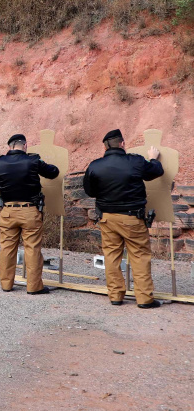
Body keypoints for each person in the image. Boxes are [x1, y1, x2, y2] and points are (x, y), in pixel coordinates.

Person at [83, 129, 164, 309]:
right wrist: (153, 158)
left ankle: (115, 296)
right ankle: (144, 299)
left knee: (111, 256)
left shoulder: (95, 165)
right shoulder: (135, 161)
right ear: (122, 143)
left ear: (104, 147)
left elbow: (89, 191)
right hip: (132, 218)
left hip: (107, 218)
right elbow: (156, 171)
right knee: (140, 257)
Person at [0, 134, 60, 294]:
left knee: (7, 249)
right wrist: (39, 161)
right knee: (32, 249)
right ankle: (34, 287)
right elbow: (53, 172)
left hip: (8, 211)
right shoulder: (33, 161)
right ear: (25, 145)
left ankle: (6, 284)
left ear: (9, 147)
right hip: (29, 210)